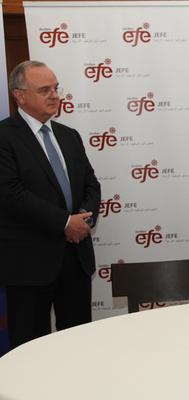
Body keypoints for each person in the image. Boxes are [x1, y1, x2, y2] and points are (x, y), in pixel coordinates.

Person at [0, 60, 101, 349]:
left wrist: (83, 221)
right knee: (30, 349)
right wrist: (65, 223)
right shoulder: (4, 137)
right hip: (29, 264)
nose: (54, 95)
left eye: (56, 88)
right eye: (44, 90)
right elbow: (11, 194)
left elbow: (91, 185)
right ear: (20, 96)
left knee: (78, 346)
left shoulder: (69, 136)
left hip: (75, 259)